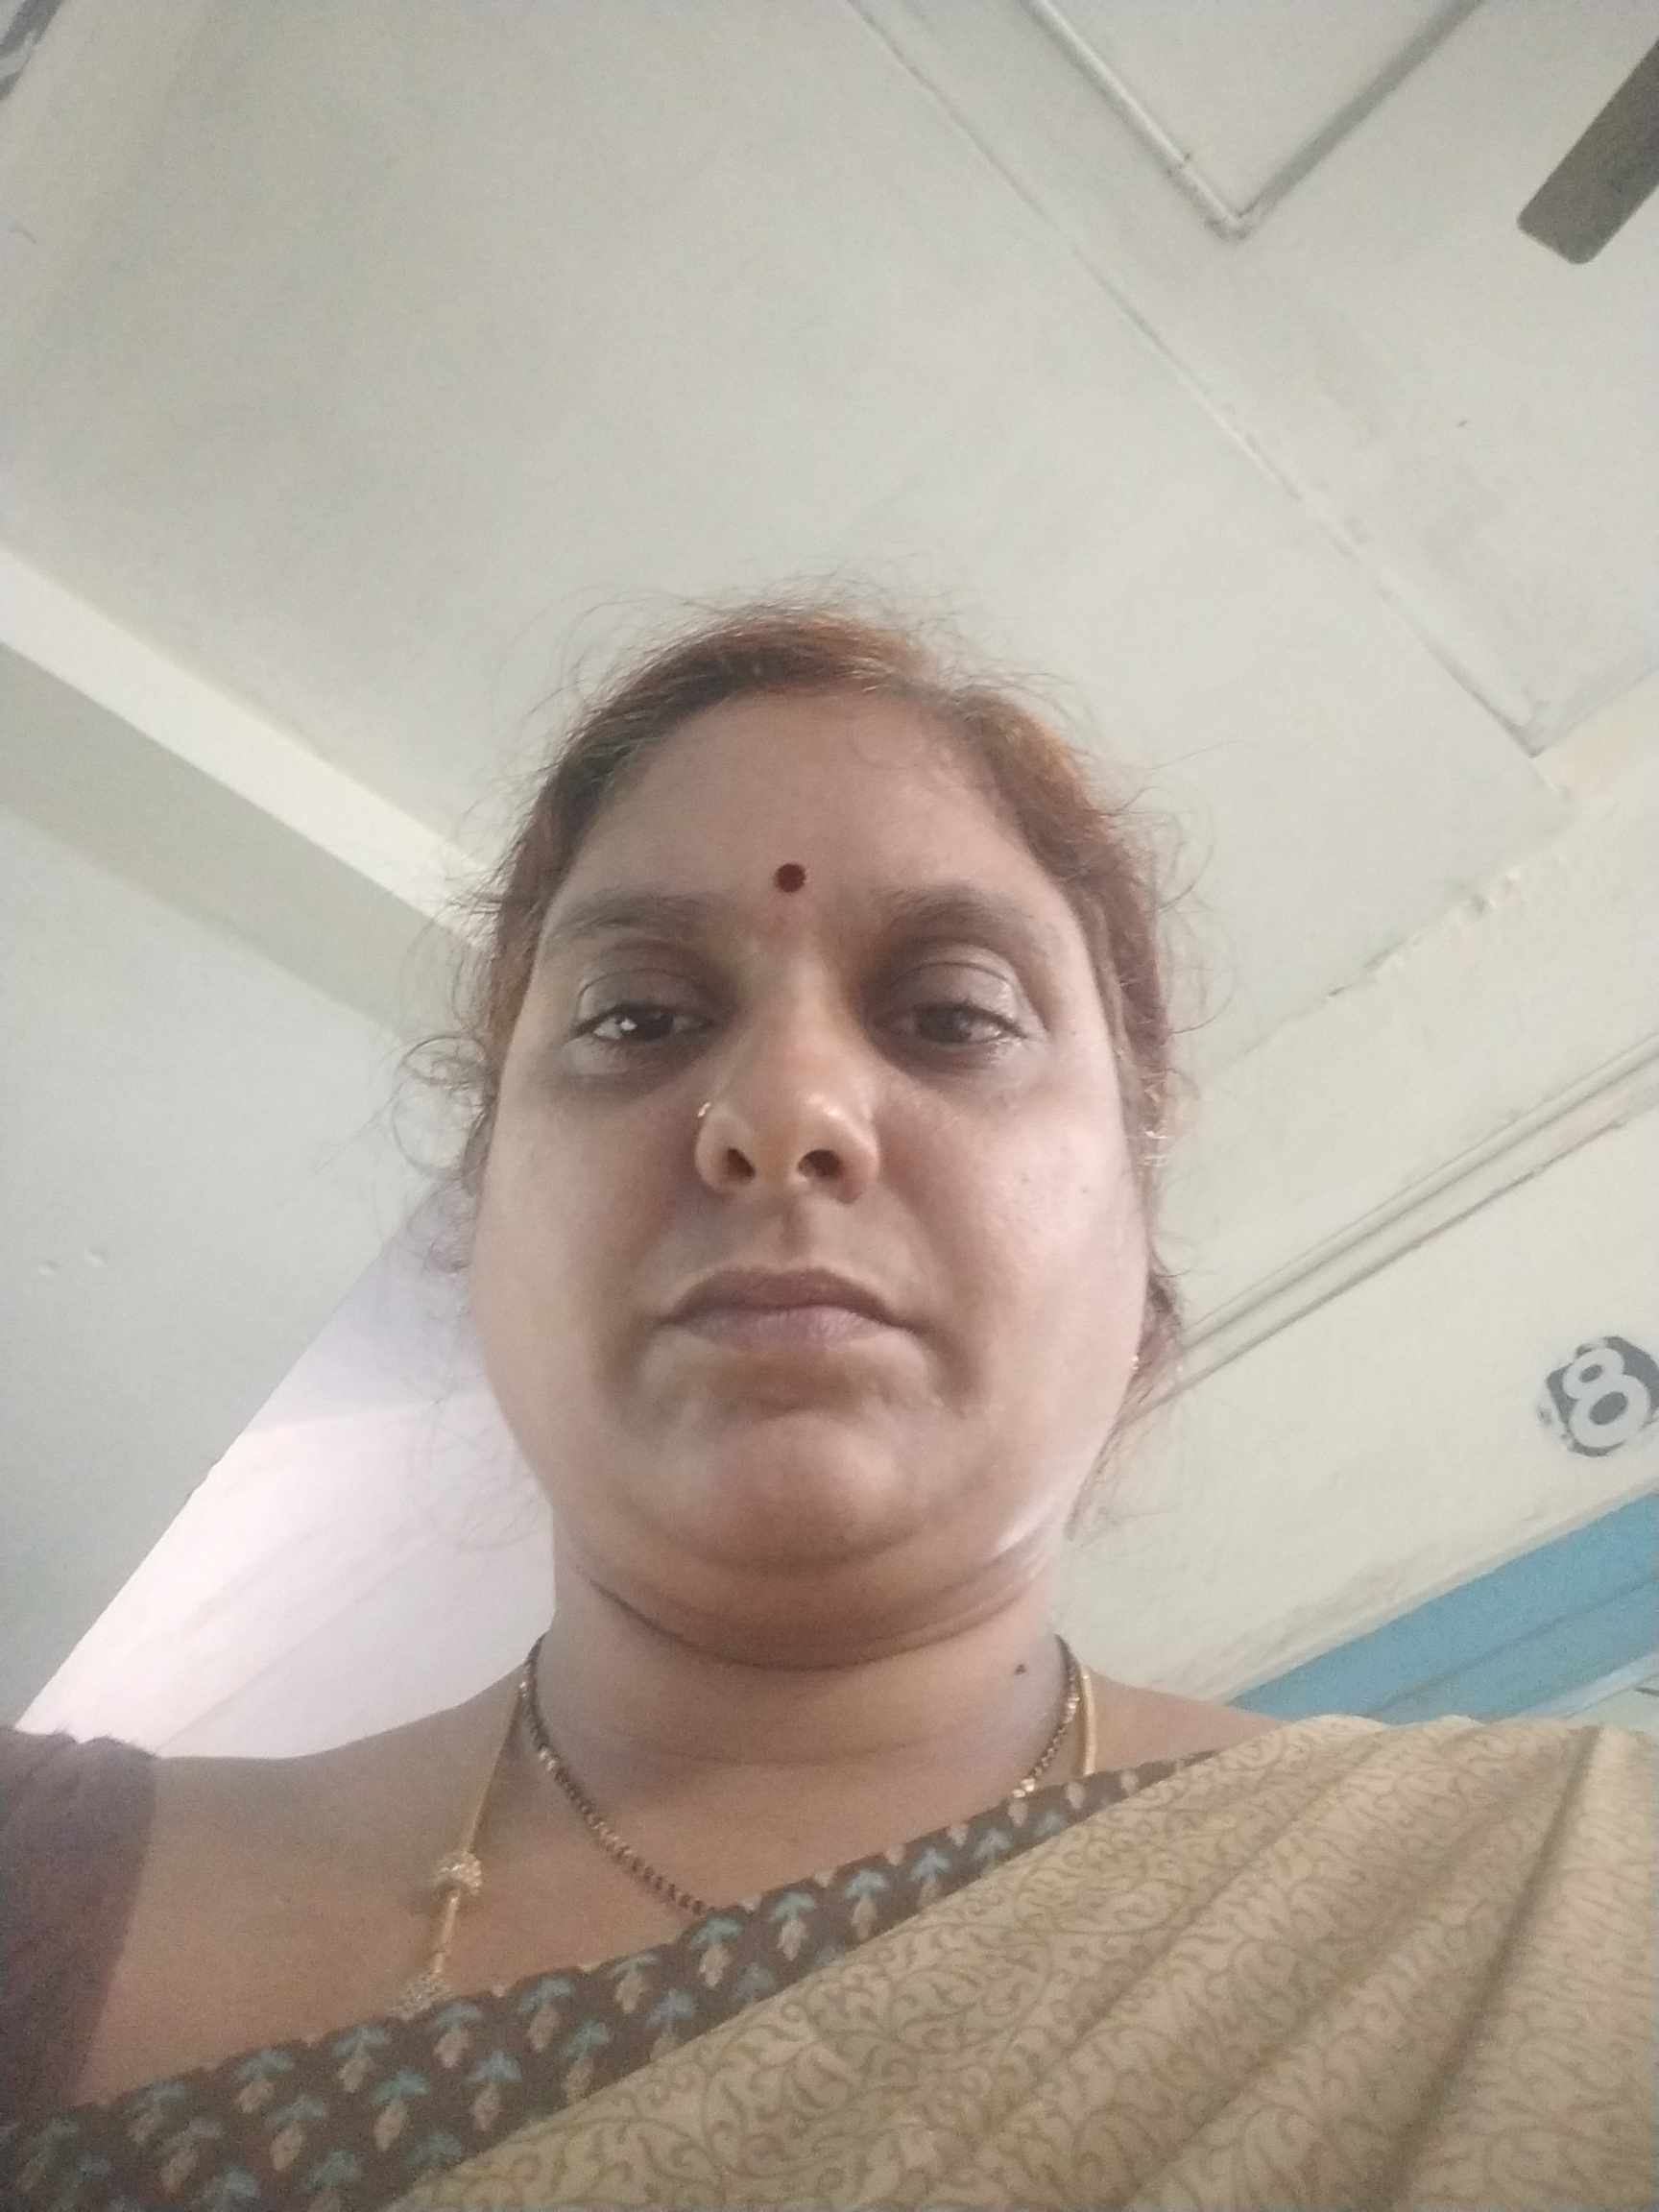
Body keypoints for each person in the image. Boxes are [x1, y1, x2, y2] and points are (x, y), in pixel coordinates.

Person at [1, 599, 1651, 2212]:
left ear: (1135, 1212)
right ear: (482, 1200)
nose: (785, 1108)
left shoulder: (1567, 1909)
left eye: (953, 1018)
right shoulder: (35, 1881)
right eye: (636, 1018)